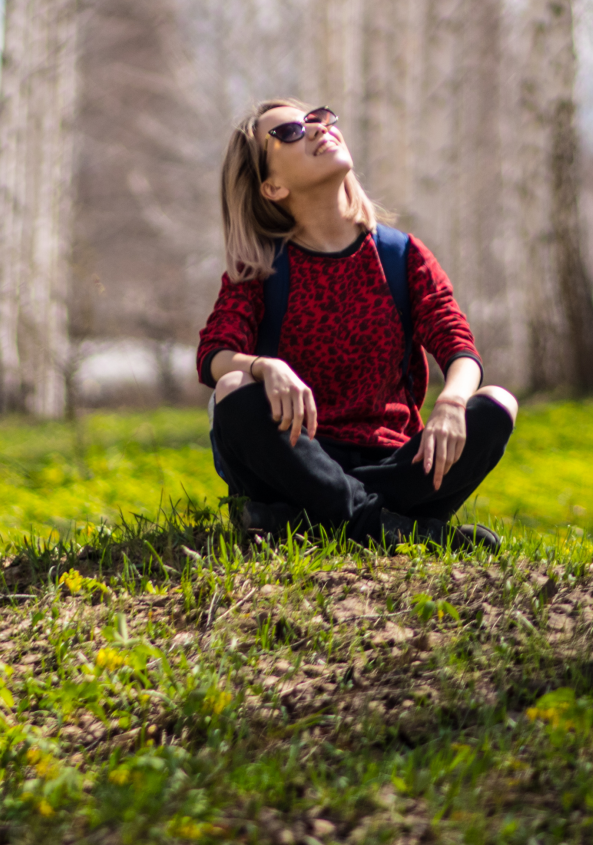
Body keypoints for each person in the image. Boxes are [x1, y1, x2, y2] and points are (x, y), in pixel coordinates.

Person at [197, 99, 518, 550]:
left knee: (496, 404)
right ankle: (396, 529)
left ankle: (305, 521)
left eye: (317, 118)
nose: (314, 129)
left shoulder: (402, 256)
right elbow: (213, 354)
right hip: (297, 460)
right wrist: (263, 367)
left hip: (396, 465)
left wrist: (450, 402)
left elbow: (458, 346)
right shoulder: (260, 267)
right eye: (288, 132)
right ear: (271, 187)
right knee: (232, 387)